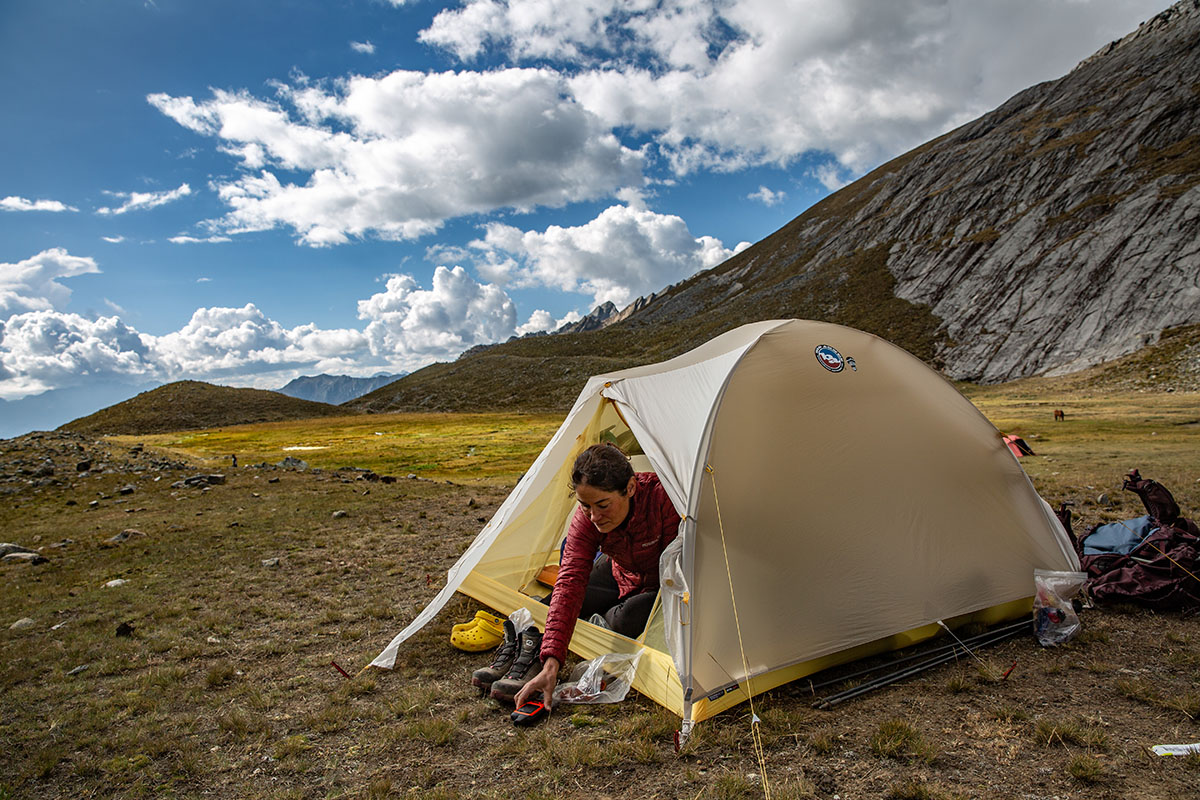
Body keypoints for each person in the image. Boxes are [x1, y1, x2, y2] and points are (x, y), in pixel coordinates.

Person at [513, 442, 681, 711]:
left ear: (630, 488)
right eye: (585, 506)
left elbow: (681, 569)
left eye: (603, 505)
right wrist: (552, 663)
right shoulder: (587, 518)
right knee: (554, 602)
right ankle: (535, 660)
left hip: (661, 584)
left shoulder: (664, 500)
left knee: (629, 616)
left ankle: (601, 623)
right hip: (620, 570)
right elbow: (569, 580)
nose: (594, 516)